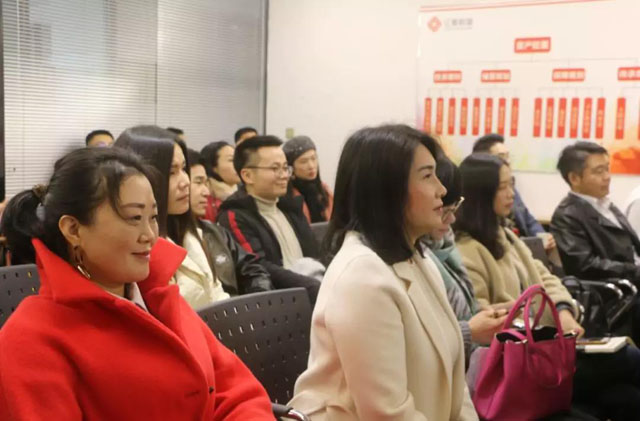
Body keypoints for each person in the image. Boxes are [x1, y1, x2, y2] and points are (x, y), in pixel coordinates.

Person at [0, 147, 273, 419]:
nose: (150, 235)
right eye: (134, 218)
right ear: (73, 229)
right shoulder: (31, 341)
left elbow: (237, 391)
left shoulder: (158, 297)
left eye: (153, 217)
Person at [289, 125, 478, 420]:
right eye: (427, 176)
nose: (442, 189)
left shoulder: (419, 259)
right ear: (388, 189)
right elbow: (387, 414)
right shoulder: (362, 278)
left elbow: (455, 390)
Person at [455, 152, 640, 420]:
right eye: (503, 187)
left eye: (511, 184)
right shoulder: (468, 249)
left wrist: (563, 310)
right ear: (481, 193)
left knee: (627, 395)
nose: (511, 194)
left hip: (545, 346)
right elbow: (483, 315)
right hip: (520, 360)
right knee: (629, 358)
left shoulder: (504, 235)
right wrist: (538, 315)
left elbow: (547, 277)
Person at [114, 126, 233, 309]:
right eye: (171, 172)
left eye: (184, 169)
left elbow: (216, 293)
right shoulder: (137, 246)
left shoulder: (191, 232)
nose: (185, 182)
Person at [420, 156, 508, 365]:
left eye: (454, 208)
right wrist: (471, 330)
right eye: (443, 211)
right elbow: (419, 343)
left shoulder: (446, 245)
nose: (451, 219)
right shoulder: (416, 258)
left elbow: (470, 310)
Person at [217, 136, 322, 304]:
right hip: (281, 303)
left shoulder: (290, 207)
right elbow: (259, 267)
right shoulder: (235, 215)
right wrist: (314, 287)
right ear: (248, 175)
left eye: (285, 168)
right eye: (275, 168)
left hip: (313, 291)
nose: (284, 175)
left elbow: (315, 252)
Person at [186, 148, 273, 296]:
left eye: (206, 183)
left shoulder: (215, 232)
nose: (206, 192)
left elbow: (252, 269)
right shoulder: (162, 242)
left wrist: (259, 296)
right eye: (198, 182)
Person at [551, 141, 640, 284]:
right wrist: (634, 271)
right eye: (599, 171)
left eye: (607, 169)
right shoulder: (567, 216)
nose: (607, 177)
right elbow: (585, 266)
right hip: (616, 289)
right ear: (574, 178)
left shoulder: (605, 204)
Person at [472, 134, 552, 241]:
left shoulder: (510, 188)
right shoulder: (479, 196)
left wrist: (542, 237)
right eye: (501, 156)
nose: (508, 161)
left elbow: (529, 219)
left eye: (508, 156)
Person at [283, 135, 334, 223]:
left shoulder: (324, 191)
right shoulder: (287, 196)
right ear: (291, 167)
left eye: (313, 159)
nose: (311, 166)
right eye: (303, 162)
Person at [200, 141, 241, 222]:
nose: (238, 164)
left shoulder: (245, 192)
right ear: (213, 167)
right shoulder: (203, 200)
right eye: (231, 160)